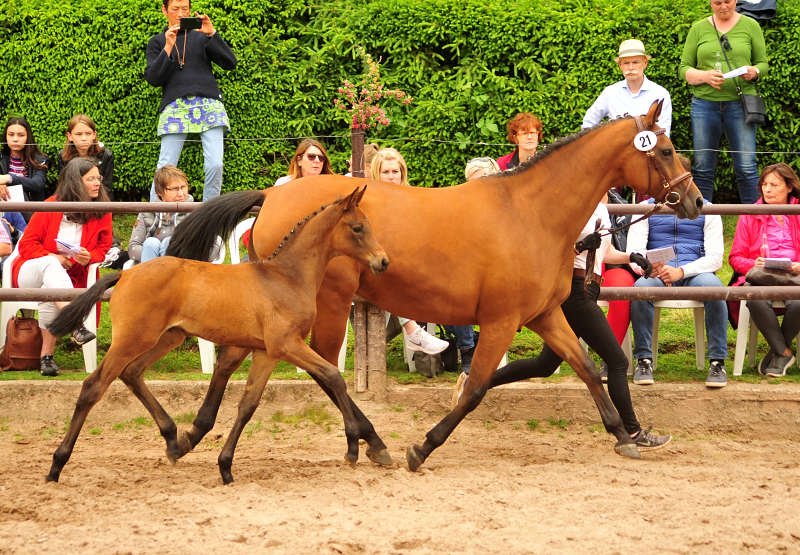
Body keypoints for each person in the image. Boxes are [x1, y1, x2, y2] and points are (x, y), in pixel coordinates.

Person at [463, 198, 671, 451]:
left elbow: (603, 253)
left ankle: (474, 384)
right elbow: (545, 251)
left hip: (590, 288)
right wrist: (578, 246)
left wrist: (632, 256)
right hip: (575, 292)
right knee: (617, 361)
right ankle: (632, 431)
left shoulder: (602, 209)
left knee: (545, 365)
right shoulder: (571, 204)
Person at [627, 154, 728, 387]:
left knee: (715, 288)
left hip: (695, 273)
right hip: (656, 274)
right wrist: (648, 269)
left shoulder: (708, 209)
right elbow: (634, 252)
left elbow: (715, 259)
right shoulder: (644, 208)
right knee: (640, 289)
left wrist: (681, 271)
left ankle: (717, 362)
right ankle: (644, 359)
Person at [12, 158, 113, 376]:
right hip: (30, 271)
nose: (98, 183)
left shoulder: (102, 211)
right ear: (76, 182)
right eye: (91, 179)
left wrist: (89, 257)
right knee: (50, 265)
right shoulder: (51, 206)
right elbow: (26, 245)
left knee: (53, 289)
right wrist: (52, 256)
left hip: (68, 278)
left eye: (99, 178)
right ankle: (75, 322)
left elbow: (103, 248)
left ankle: (46, 357)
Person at [145, 0, 238, 202]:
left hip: (209, 104)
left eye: (185, 9)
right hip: (174, 107)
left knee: (216, 164)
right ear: (164, 10)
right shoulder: (157, 41)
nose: (180, 13)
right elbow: (153, 78)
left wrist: (212, 34)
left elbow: (231, 63)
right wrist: (168, 47)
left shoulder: (202, 36)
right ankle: (153, 214)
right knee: (165, 165)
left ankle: (207, 215)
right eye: (175, 9)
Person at [679, 0, 769, 204]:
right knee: (702, 167)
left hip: (740, 103)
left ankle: (754, 220)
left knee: (747, 166)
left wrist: (754, 72)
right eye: (717, 2)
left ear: (736, 0)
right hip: (704, 104)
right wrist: (705, 76)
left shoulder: (750, 25)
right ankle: (701, 220)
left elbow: (763, 64)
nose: (723, 6)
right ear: (710, 2)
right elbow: (684, 69)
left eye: (727, 1)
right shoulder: (699, 28)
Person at [372, 148, 448, 355]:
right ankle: (412, 330)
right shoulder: (371, 199)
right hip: (377, 265)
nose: (390, 177)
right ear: (377, 174)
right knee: (391, 275)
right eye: (385, 172)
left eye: (395, 172)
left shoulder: (411, 198)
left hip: (408, 262)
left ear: (402, 173)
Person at [729, 163, 800, 377]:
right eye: (764, 184)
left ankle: (779, 353)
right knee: (753, 297)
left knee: (798, 303)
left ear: (789, 187)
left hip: (794, 277)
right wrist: (753, 264)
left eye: (774, 185)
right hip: (761, 278)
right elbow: (735, 258)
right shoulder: (750, 214)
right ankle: (784, 351)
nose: (767, 189)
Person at [447, 157, 502, 379]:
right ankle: (470, 345)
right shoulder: (464, 209)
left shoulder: (506, 209)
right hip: (469, 276)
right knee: (457, 290)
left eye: (482, 181)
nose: (476, 188)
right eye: (471, 183)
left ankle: (468, 350)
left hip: (498, 278)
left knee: (463, 292)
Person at [582, 39, 672, 136]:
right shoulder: (610, 93)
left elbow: (663, 134)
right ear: (620, 65)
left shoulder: (660, 94)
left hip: (649, 150)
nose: (630, 68)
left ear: (645, 63)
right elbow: (588, 124)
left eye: (635, 62)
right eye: (626, 63)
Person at [129, 165, 218, 263]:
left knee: (169, 242)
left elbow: (214, 250)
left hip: (187, 269)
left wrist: (182, 252)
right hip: (150, 268)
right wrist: (154, 253)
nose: (181, 193)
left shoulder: (198, 213)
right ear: (159, 192)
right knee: (151, 243)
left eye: (183, 187)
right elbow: (133, 248)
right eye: (175, 189)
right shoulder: (147, 212)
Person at [57, 114, 115, 200]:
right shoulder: (62, 156)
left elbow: (106, 188)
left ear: (94, 135)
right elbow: (65, 187)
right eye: (78, 134)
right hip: (73, 202)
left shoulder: (107, 155)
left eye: (88, 134)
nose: (84, 138)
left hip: (100, 202)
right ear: (70, 136)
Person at [0, 117, 51, 206]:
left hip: (31, 210)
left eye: (21, 135)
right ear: (5, 136)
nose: (15, 139)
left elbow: (37, 184)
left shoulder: (40, 160)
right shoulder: (1, 157)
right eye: (11, 135)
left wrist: (9, 178)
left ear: (28, 137)